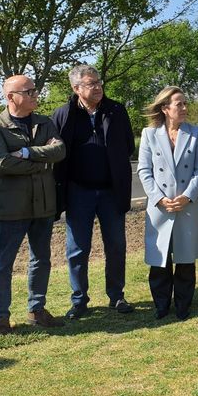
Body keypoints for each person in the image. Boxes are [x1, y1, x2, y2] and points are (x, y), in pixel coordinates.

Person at [0, 75, 66, 335]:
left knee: (41, 259)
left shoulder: (45, 122)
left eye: (35, 90)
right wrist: (43, 160)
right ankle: (1, 318)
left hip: (43, 204)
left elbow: (61, 151)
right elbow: (3, 163)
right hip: (12, 206)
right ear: (11, 97)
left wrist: (29, 153)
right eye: (29, 91)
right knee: (3, 263)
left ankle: (36, 309)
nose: (35, 95)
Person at [52, 65, 135, 320]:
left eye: (99, 82)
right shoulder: (63, 114)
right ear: (76, 88)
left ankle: (116, 296)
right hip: (79, 192)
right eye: (91, 84)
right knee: (77, 249)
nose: (98, 87)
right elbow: (56, 153)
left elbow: (128, 145)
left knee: (116, 245)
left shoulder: (116, 110)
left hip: (111, 191)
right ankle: (79, 300)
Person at [137, 86, 198, 320]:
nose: (185, 108)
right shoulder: (149, 134)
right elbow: (144, 171)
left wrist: (187, 196)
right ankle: (161, 305)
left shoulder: (196, 133)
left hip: (187, 205)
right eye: (180, 104)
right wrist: (159, 198)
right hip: (160, 207)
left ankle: (183, 306)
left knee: (185, 259)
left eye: (185, 103)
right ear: (166, 108)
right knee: (160, 260)